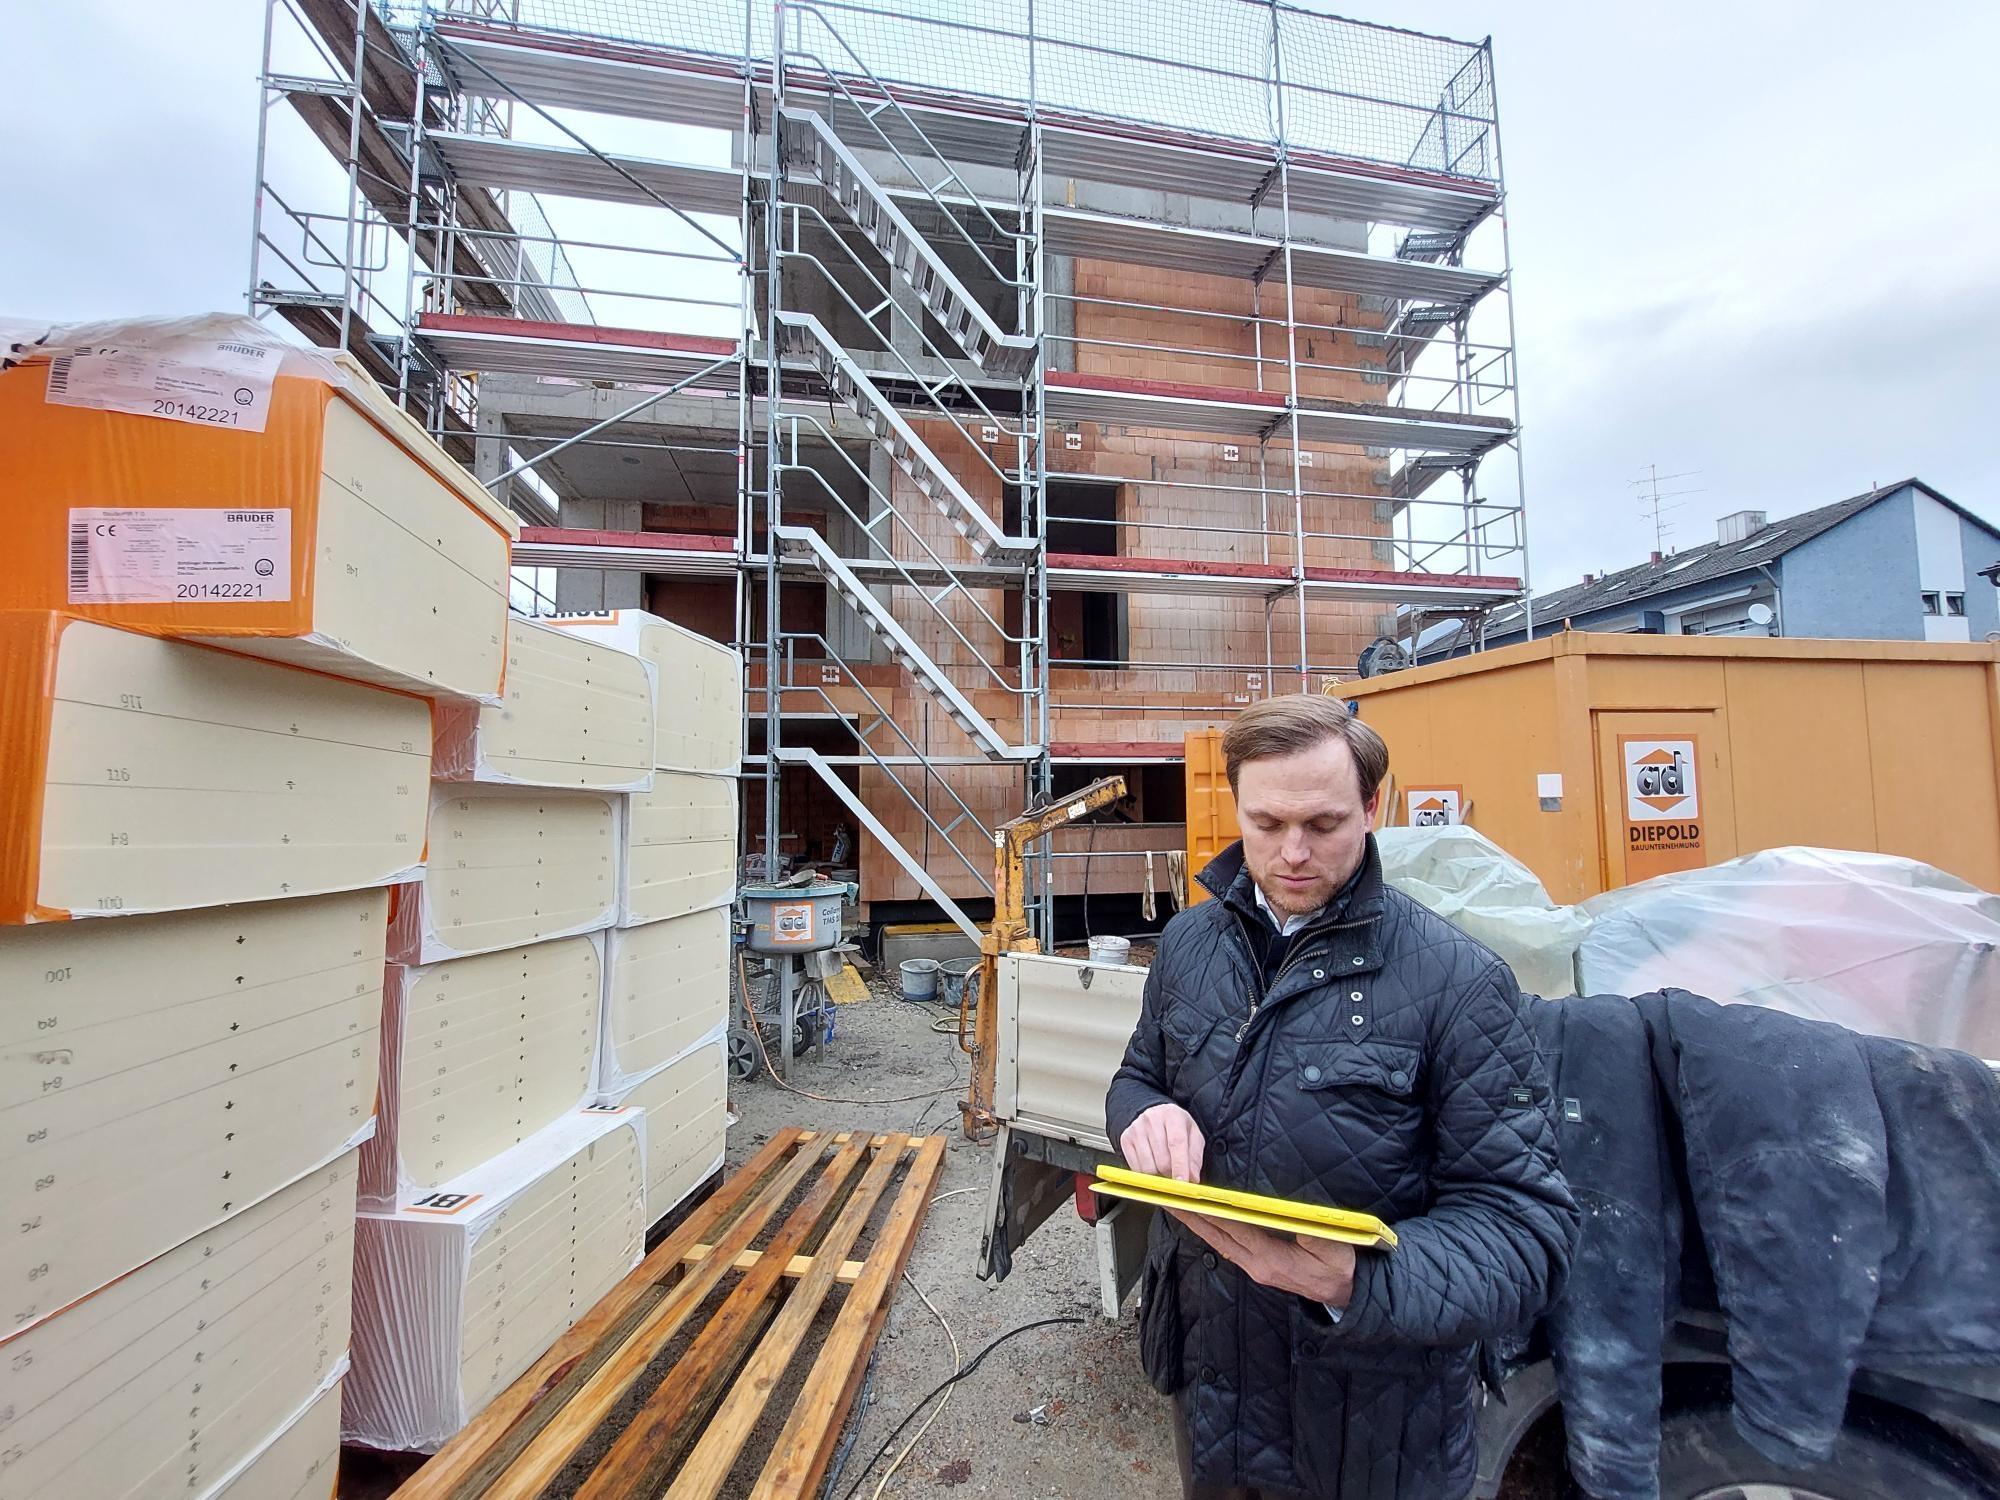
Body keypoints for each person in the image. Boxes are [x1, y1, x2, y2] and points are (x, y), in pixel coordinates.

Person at [1107, 694, 1577, 1500]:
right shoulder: (1187, 945)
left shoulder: (1457, 983)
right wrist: (1144, 1114)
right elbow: (1138, 1076)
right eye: (1266, 824)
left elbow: (1528, 1231)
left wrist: (1359, 1283)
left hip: (1377, 1434)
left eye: (1322, 825)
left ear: (1372, 807)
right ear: (1239, 808)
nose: (1292, 853)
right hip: (1216, 1407)